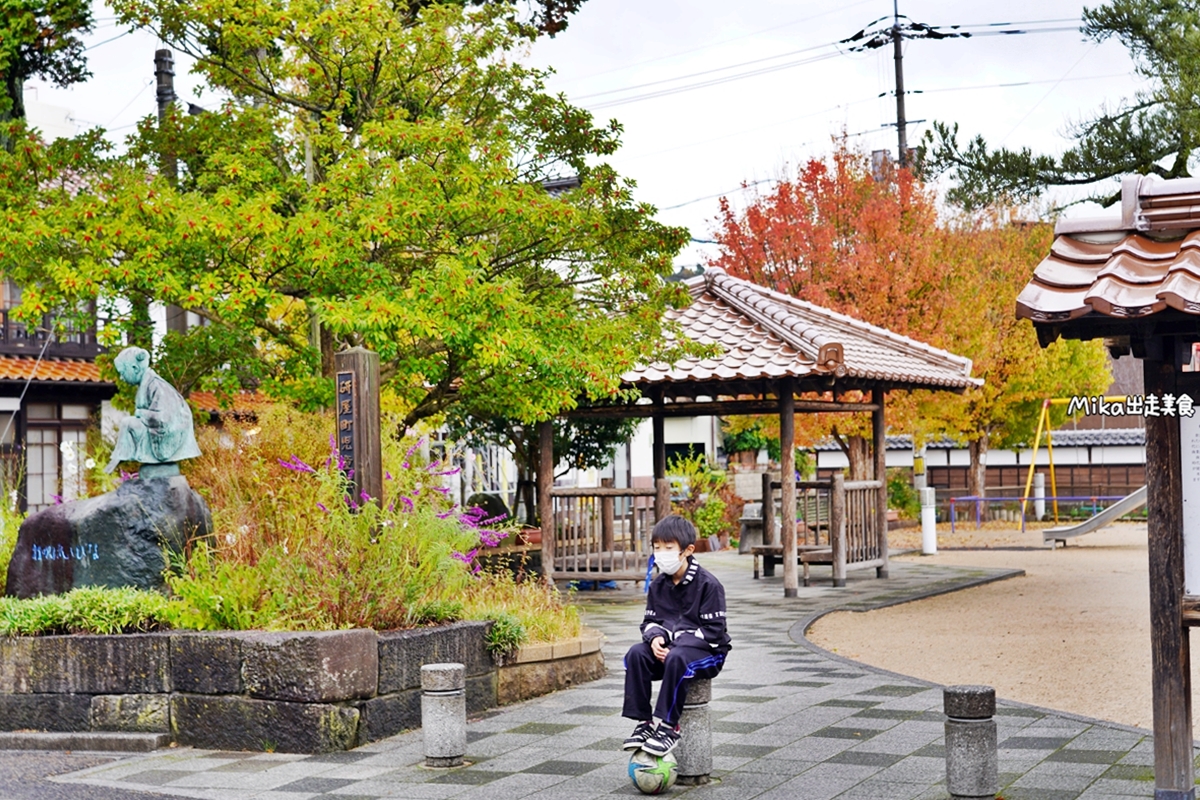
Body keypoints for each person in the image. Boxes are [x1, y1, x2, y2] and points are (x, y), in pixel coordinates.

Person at [622, 514, 731, 757]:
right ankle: (644, 724)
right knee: (636, 653)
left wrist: (675, 645)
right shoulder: (658, 585)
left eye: (668, 548)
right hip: (670, 653)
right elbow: (650, 622)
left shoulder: (709, 585)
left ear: (687, 550)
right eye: (657, 547)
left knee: (678, 656)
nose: (661, 553)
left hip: (707, 654)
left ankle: (669, 727)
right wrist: (656, 639)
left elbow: (714, 633)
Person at [104, 346, 202, 473]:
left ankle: (118, 458)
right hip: (154, 431)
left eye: (122, 373)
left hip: (168, 437)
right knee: (128, 423)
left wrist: (141, 413)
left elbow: (163, 419)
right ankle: (119, 456)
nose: (122, 378)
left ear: (135, 368)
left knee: (127, 423)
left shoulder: (157, 385)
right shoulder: (147, 384)